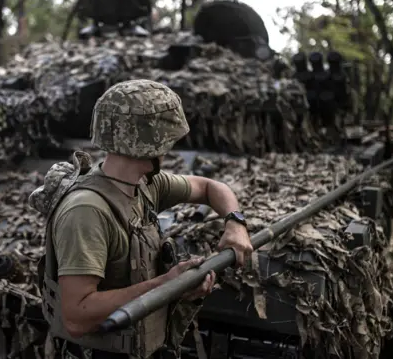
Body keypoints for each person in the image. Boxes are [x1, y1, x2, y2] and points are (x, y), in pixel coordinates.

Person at [29, 79, 253, 359]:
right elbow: (77, 316)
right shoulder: (87, 212)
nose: (170, 148)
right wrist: (170, 284)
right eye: (168, 139)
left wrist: (236, 223)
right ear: (149, 143)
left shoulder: (144, 184)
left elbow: (211, 188)